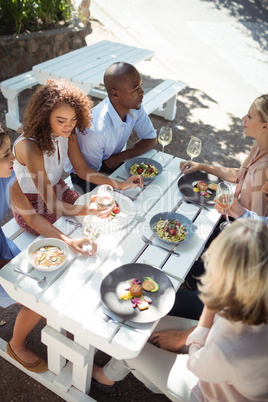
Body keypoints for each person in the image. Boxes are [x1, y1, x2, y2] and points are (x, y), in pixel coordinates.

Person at [92, 220, 268, 401]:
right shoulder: (254, 297)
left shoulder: (237, 344)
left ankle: (143, 381)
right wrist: (185, 335)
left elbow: (197, 364)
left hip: (208, 390)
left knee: (129, 348)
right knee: (147, 326)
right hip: (220, 357)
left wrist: (208, 308)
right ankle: (140, 376)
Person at [0, 124, 97, 372]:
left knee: (49, 277)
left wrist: (68, 241)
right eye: (5, 155)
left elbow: (32, 217)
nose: (13, 159)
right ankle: (15, 344)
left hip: (2, 247)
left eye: (9, 151)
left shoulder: (8, 176)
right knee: (38, 293)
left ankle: (45, 315)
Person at [13, 79, 142, 234]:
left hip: (58, 190)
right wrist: (86, 210)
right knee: (78, 228)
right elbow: (52, 204)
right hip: (32, 206)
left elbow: (82, 170)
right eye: (61, 120)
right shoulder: (30, 147)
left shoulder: (68, 131)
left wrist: (119, 184)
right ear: (45, 116)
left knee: (103, 220)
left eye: (74, 119)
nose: (69, 126)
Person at [64, 62, 158, 194]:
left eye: (141, 86)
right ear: (115, 94)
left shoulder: (135, 107)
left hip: (109, 165)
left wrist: (121, 156)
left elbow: (151, 140)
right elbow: (89, 172)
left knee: (149, 187)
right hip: (86, 177)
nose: (142, 92)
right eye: (135, 88)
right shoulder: (96, 130)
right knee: (130, 200)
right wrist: (120, 184)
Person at [180, 94, 268, 216]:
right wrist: (201, 166)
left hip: (240, 225)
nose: (243, 118)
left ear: (265, 126)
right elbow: (239, 175)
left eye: (249, 116)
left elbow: (258, 222)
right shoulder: (258, 144)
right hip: (232, 212)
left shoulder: (264, 167)